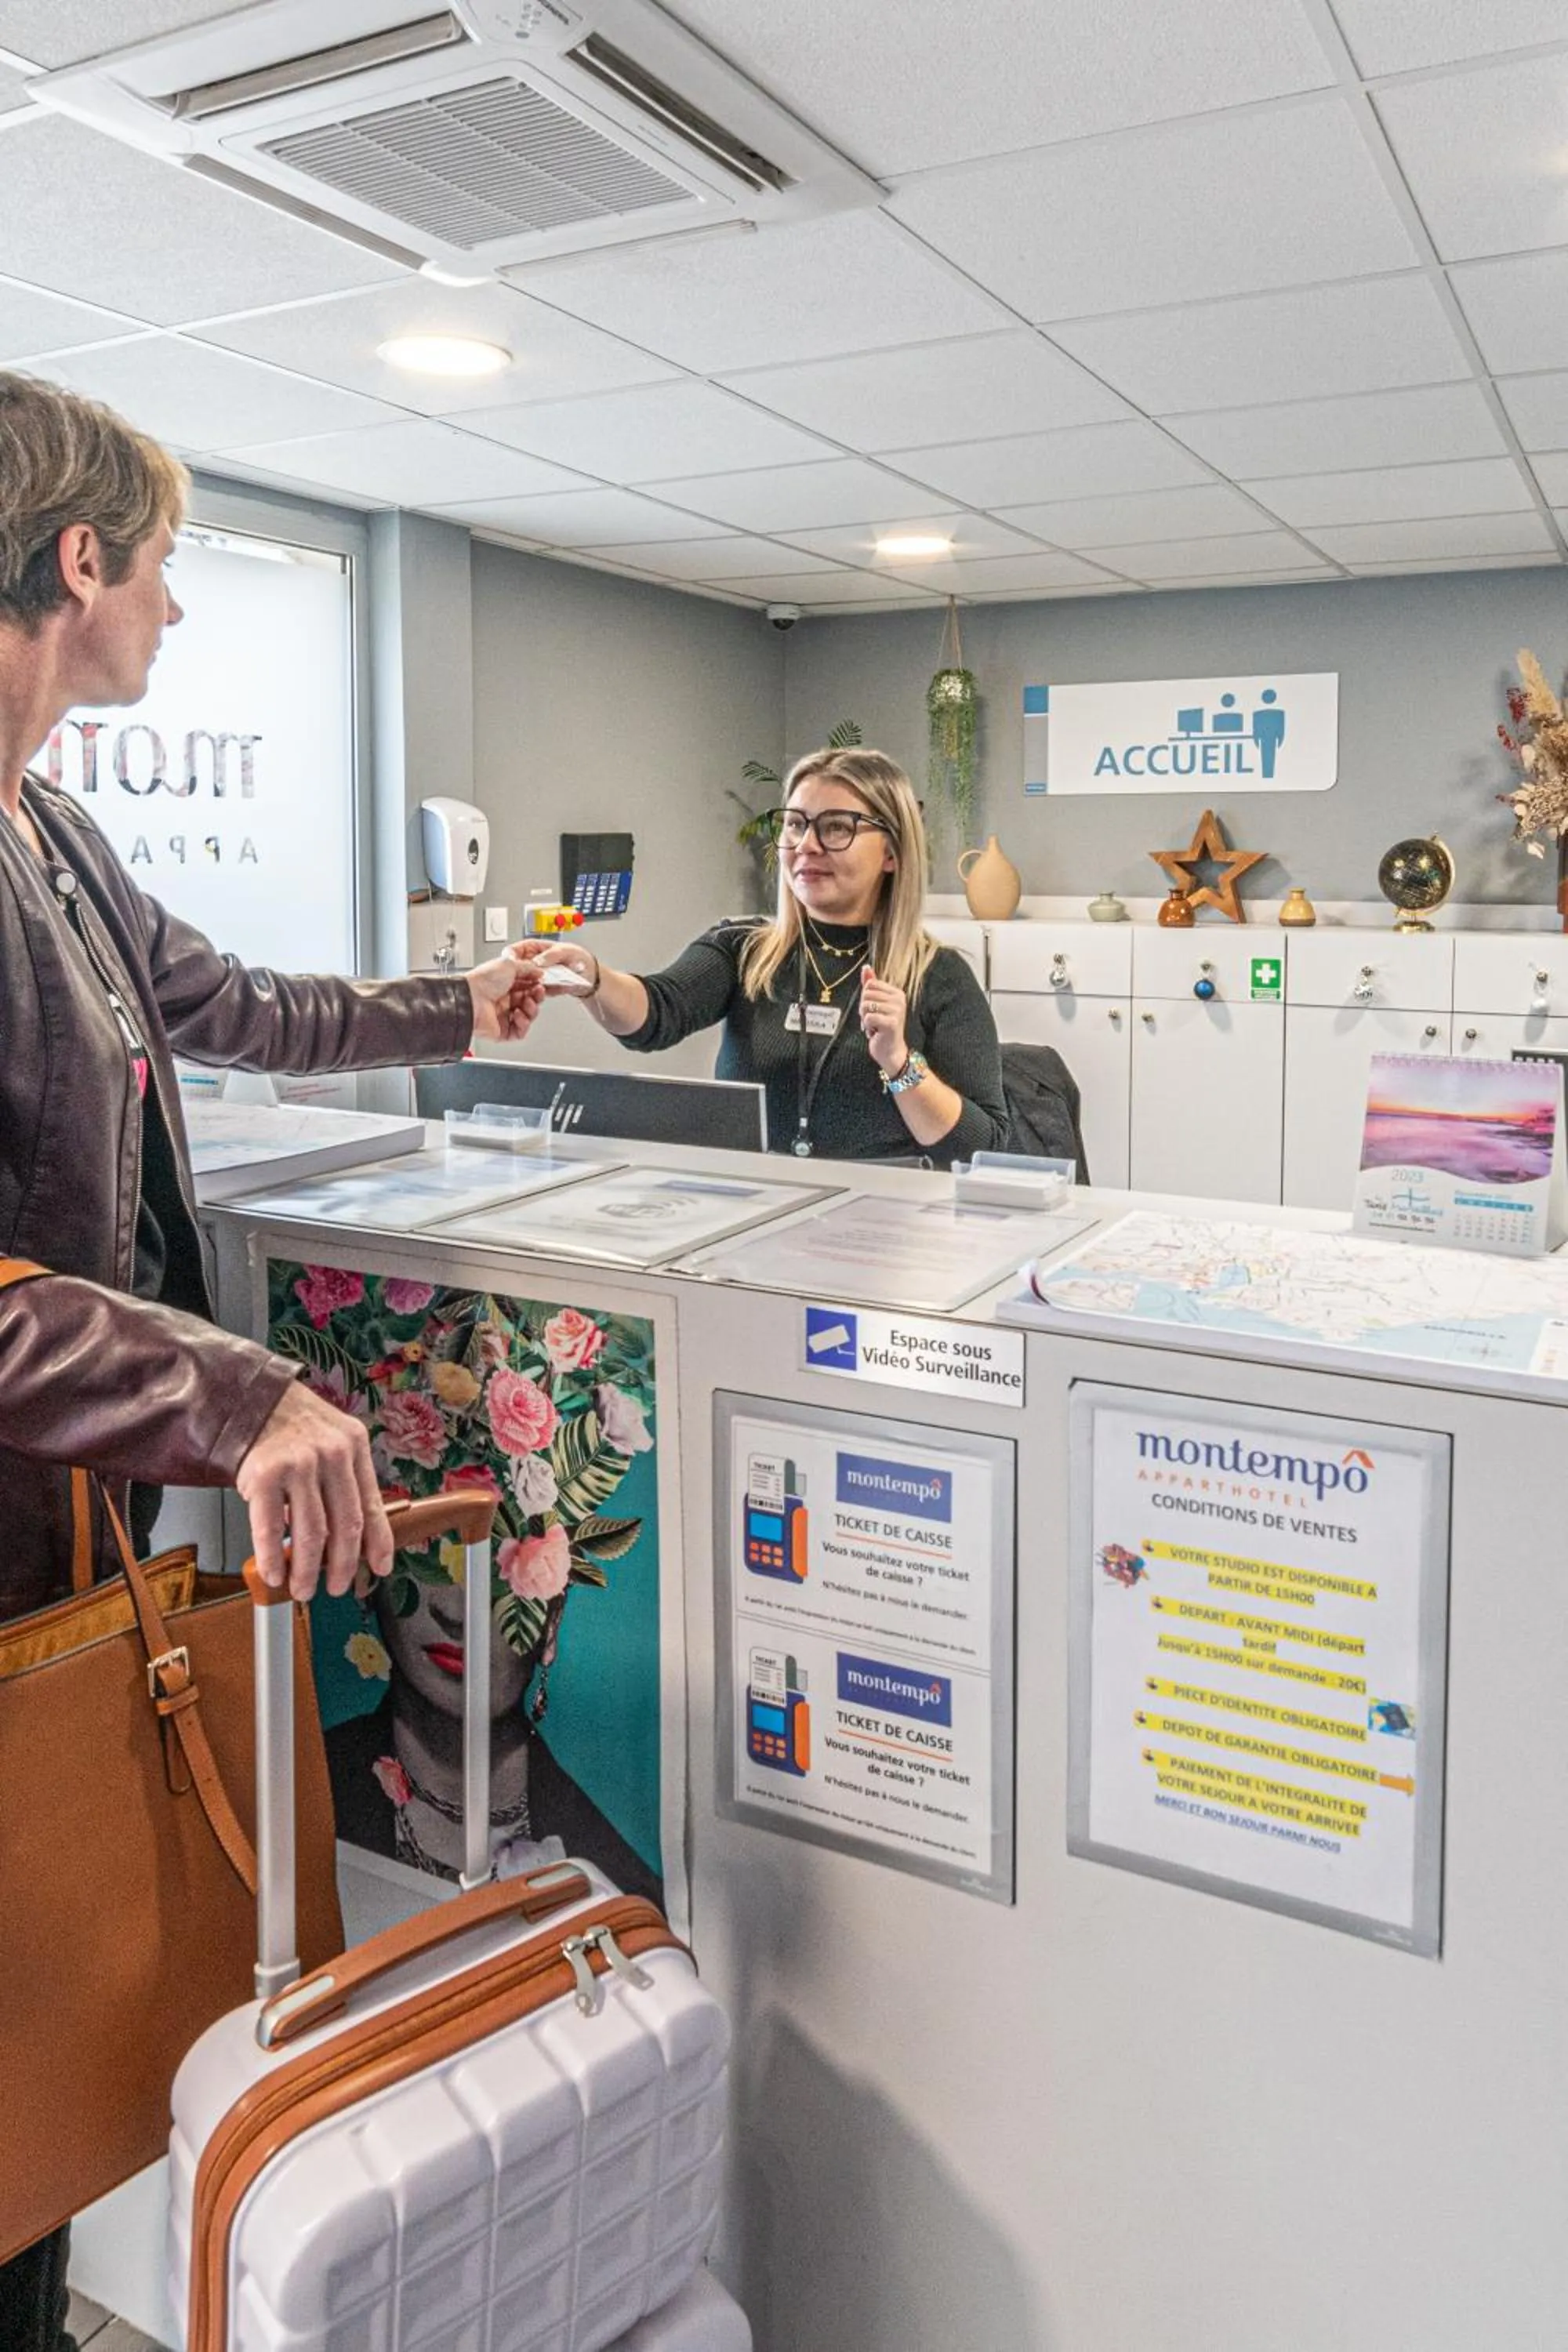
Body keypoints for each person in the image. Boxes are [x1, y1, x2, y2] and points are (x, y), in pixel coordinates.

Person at [0, 370, 545, 2351]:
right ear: (78, 561)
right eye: (159, 568)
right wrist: (240, 1392)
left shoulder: (48, 823)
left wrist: (448, 998)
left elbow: (224, 1000)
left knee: (38, 2119)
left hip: (61, 1555)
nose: (174, 611)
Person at [530, 746, 1009, 1166]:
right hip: (754, 1213)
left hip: (883, 1231)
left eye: (837, 827)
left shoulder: (938, 978)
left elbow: (980, 1148)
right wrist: (591, 978)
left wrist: (900, 1064)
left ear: (892, 852)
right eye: (796, 825)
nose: (807, 845)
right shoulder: (743, 951)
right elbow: (657, 1011)